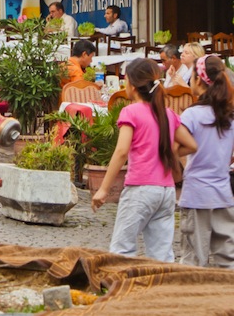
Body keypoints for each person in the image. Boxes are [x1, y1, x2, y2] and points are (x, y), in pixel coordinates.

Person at [92, 58, 197, 261]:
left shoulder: (130, 112)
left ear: (132, 84)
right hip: (166, 192)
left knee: (121, 250)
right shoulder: (167, 114)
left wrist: (103, 189)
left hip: (140, 188)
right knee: (162, 255)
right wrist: (170, 151)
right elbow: (191, 145)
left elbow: (121, 151)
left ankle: (122, 291)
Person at [178, 55, 234, 267]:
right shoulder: (229, 115)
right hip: (223, 194)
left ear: (198, 80)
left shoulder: (191, 115)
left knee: (193, 261)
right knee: (228, 262)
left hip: (196, 196)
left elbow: (175, 149)